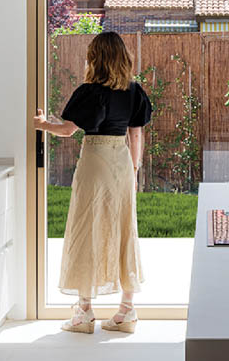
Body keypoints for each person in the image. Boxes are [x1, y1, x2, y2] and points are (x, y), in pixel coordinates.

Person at [34, 31, 152, 333]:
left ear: (95, 58)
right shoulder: (134, 91)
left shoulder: (90, 91)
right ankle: (126, 311)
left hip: (94, 161)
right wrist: (134, 169)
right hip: (122, 162)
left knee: (87, 227)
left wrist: (42, 124)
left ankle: (84, 312)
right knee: (126, 228)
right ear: (122, 56)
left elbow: (68, 130)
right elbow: (136, 134)